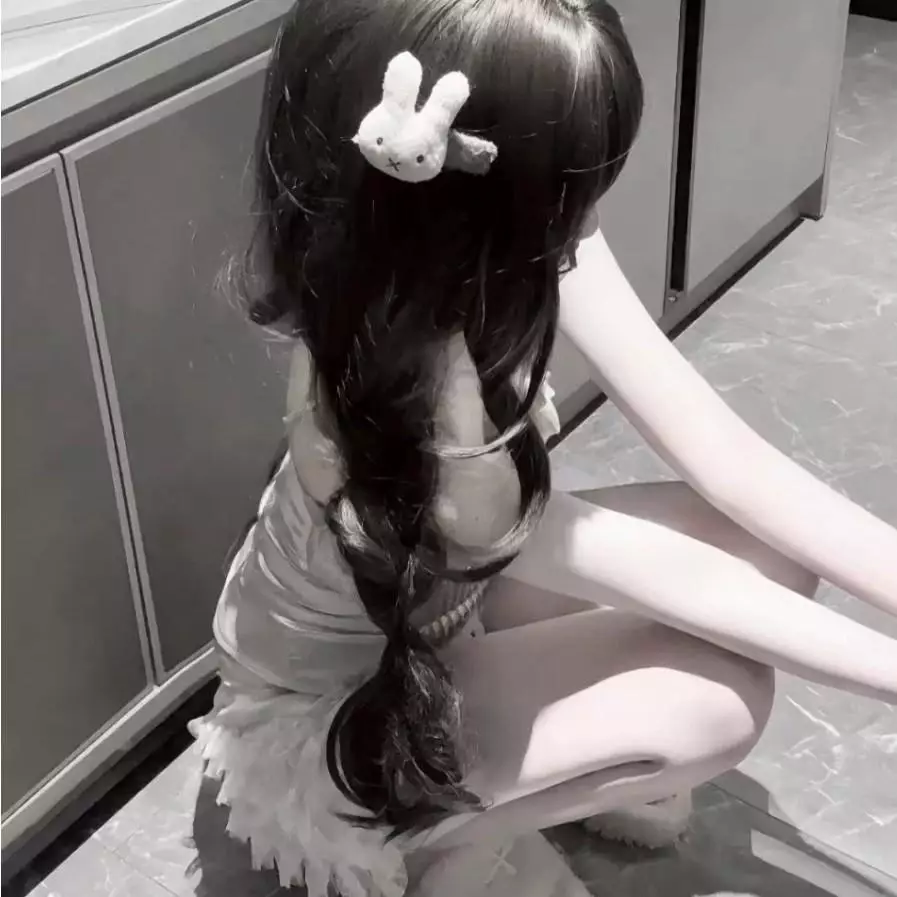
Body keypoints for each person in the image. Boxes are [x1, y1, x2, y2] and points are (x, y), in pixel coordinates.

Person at [190, 1, 897, 895]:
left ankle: (524, 756)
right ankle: (424, 837)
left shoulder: (514, 238)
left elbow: (729, 461)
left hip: (442, 609)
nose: (585, 220)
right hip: (335, 718)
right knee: (715, 705)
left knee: (770, 554)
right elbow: (681, 581)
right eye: (569, 190)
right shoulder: (387, 430)